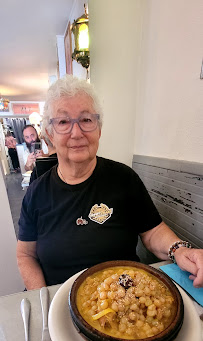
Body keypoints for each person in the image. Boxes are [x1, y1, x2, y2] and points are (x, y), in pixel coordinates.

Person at [17, 75, 203, 290]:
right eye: (63, 122)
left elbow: (152, 232)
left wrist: (180, 249)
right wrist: (44, 301)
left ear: (99, 129)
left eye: (86, 120)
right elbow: (25, 254)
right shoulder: (36, 193)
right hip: (58, 303)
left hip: (124, 302)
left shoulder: (124, 178)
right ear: (49, 133)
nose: (76, 133)